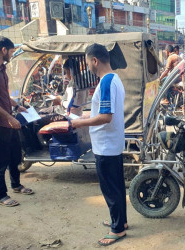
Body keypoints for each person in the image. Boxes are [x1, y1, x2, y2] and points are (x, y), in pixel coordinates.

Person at [71, 43, 127, 246]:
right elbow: (104, 113)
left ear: (95, 60)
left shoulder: (106, 82)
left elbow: (105, 117)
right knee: (117, 186)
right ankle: (121, 221)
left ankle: (117, 229)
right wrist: (88, 115)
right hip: (112, 142)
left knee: (110, 188)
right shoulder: (115, 79)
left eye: (87, 63)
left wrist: (79, 122)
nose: (87, 67)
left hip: (105, 143)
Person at [0, 36, 34, 207]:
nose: (12, 55)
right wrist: (9, 117)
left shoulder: (1, 68)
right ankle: (1, 195)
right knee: (0, 159)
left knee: (15, 154)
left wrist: (17, 106)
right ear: (3, 50)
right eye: (11, 52)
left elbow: (3, 94)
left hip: (8, 120)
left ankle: (16, 185)